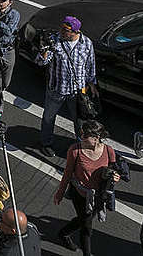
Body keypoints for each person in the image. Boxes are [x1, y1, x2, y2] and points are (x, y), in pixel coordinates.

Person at [54, 120, 121, 255]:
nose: (81, 138)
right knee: (87, 227)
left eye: (85, 136)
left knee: (84, 219)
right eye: (81, 134)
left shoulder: (109, 151)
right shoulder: (75, 151)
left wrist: (116, 177)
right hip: (79, 194)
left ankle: (63, 233)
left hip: (98, 195)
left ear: (96, 138)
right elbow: (67, 174)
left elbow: (114, 171)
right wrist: (60, 193)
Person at [36, 15, 97, 157]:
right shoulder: (54, 41)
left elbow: (90, 64)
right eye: (62, 28)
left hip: (77, 91)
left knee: (80, 121)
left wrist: (92, 83)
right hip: (56, 89)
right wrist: (44, 50)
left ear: (76, 32)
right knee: (48, 118)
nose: (61, 32)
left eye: (66, 30)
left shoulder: (86, 43)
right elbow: (41, 62)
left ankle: (81, 145)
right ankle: (46, 143)